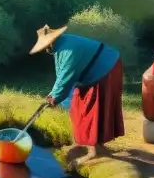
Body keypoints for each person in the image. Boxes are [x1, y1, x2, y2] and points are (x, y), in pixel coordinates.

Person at [30, 24, 125, 168]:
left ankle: (95, 152)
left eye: (44, 46)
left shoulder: (68, 49)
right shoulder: (61, 45)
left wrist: (53, 97)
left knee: (90, 110)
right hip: (102, 66)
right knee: (77, 108)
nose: (44, 50)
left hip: (106, 68)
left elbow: (66, 76)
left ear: (50, 42)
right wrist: (52, 94)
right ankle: (88, 144)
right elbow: (61, 73)